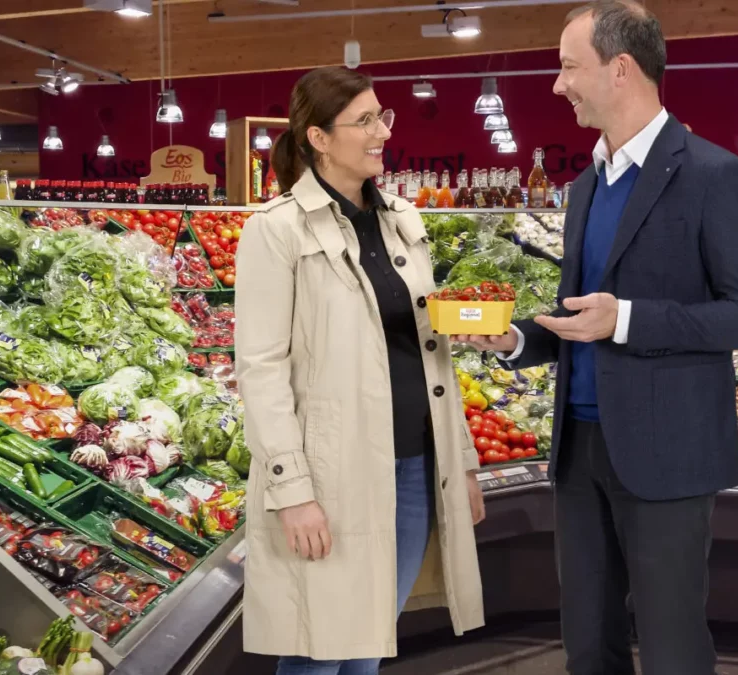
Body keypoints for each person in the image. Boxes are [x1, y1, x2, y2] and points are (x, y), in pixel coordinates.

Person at [462, 2, 738, 674]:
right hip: (579, 455)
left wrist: (628, 318)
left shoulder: (713, 174)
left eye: (569, 67)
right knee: (588, 642)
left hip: (669, 456)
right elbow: (582, 311)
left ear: (622, 69)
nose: (558, 84)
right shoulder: (584, 186)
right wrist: (518, 341)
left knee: (671, 648)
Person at [235, 66, 486, 674]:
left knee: (369, 642)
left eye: (383, 116)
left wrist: (463, 461)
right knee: (317, 653)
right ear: (319, 138)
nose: (381, 132)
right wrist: (292, 493)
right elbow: (261, 371)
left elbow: (434, 356)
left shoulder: (403, 219)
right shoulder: (275, 231)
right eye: (364, 120)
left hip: (411, 470)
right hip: (331, 478)